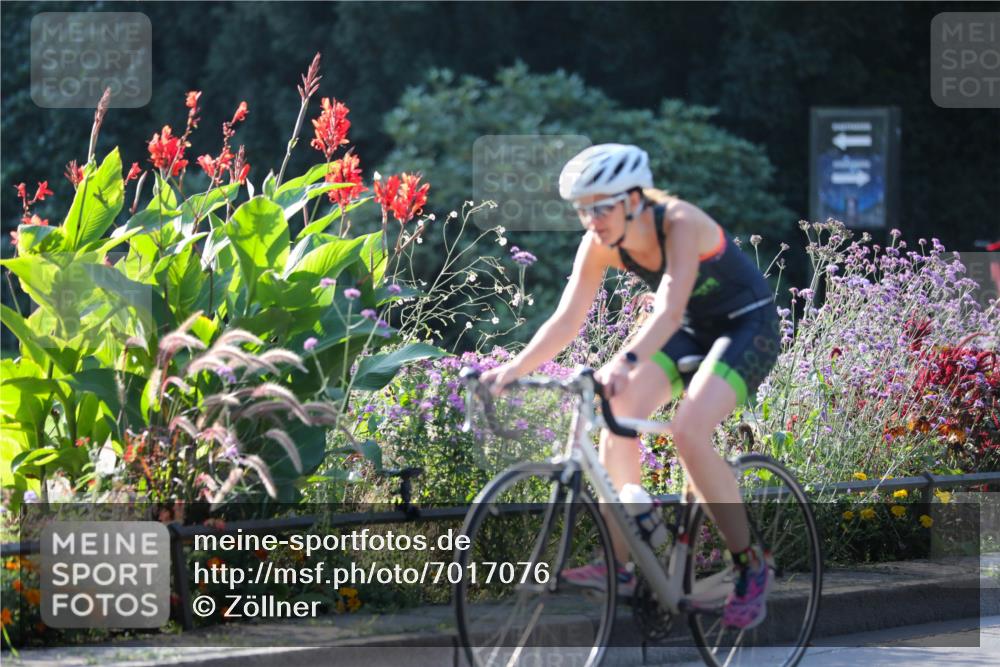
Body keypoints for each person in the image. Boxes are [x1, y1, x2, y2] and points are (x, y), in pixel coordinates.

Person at [479, 143, 781, 629]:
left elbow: (668, 305)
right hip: (687, 328)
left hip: (745, 328)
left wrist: (627, 359)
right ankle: (622, 561)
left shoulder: (678, 222)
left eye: (601, 207)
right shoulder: (600, 243)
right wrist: (512, 369)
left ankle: (750, 564)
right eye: (582, 210)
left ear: (635, 199)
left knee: (688, 431)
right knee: (615, 406)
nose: (591, 220)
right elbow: (567, 318)